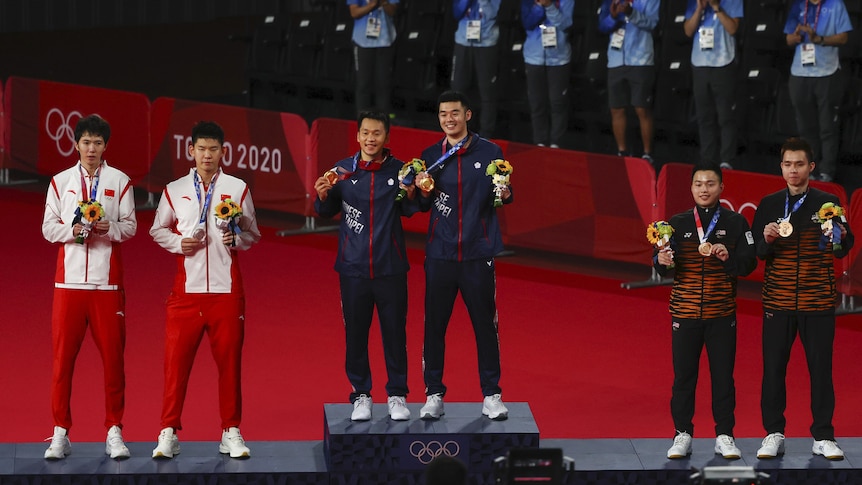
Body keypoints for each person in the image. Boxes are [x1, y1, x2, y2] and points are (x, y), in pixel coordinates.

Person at [149, 121, 261, 459]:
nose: (207, 155)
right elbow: (157, 229)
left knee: (229, 364)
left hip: (227, 292)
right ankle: (168, 431)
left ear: (223, 152)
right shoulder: (175, 189)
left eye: (213, 149)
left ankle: (231, 430)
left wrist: (237, 239)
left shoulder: (237, 188)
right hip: (186, 293)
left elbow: (253, 233)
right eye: (201, 149)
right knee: (175, 364)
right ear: (191, 151)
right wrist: (179, 243)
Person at [41, 114, 137, 460]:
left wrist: (107, 227)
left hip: (107, 286)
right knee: (62, 363)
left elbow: (130, 228)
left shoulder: (120, 181)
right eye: (86, 142)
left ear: (105, 146)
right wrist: (74, 230)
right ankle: (60, 433)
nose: (91, 149)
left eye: (97, 143)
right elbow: (47, 229)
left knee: (113, 362)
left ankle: (114, 430)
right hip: (68, 286)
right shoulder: (60, 182)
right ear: (76, 144)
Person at [751, 137, 854, 460]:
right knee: (773, 370)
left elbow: (843, 248)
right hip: (777, 302)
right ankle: (773, 433)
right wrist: (766, 240)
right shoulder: (769, 203)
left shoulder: (828, 203)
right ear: (781, 167)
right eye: (787, 164)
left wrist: (836, 236)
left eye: (799, 164)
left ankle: (823, 436)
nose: (792, 170)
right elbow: (757, 252)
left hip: (818, 302)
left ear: (811, 167)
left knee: (821, 370)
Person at [413, 90, 511, 421]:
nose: (449, 119)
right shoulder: (430, 155)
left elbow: (502, 196)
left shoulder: (491, 152)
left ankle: (492, 394)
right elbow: (421, 206)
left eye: (455, 113)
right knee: (434, 327)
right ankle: (433, 394)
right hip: (439, 255)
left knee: (485, 325)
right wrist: (421, 191)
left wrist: (506, 191)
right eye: (443, 114)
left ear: (468, 115)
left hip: (477, 254)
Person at [313, 111, 417, 422]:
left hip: (390, 269)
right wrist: (321, 196)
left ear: (386, 138)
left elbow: (411, 210)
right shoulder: (341, 172)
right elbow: (325, 210)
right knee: (356, 335)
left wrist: (411, 192)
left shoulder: (400, 172)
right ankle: (361, 394)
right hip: (353, 270)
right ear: (357, 136)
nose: (371, 139)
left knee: (395, 334)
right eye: (365, 133)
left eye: (377, 133)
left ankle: (397, 394)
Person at [655, 163, 757, 460]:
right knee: (683, 377)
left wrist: (729, 258)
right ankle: (682, 434)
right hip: (684, 314)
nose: (704, 189)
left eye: (710, 184)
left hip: (721, 314)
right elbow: (663, 267)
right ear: (691, 188)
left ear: (721, 187)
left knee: (723, 377)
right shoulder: (676, 222)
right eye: (698, 184)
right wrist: (662, 260)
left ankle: (724, 435)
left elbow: (749, 264)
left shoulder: (737, 222)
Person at [783, 0, 852, 183]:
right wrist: (796, 36)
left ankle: (826, 172)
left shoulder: (835, 5)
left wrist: (819, 39)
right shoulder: (798, 5)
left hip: (826, 72)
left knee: (827, 126)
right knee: (805, 127)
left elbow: (844, 37)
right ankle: (809, 170)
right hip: (799, 72)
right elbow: (788, 39)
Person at [598, 0, 660, 163]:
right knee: (617, 109)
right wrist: (612, 16)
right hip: (616, 60)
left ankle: (647, 154)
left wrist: (631, 13)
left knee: (642, 109)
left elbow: (652, 23)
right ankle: (622, 152)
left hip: (641, 60)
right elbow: (602, 27)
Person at [683, 0, 743, 170]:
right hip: (700, 63)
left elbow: (733, 28)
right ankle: (708, 158)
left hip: (723, 63)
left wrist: (716, 7)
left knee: (725, 116)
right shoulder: (695, 2)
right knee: (704, 116)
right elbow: (688, 31)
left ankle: (727, 160)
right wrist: (699, 10)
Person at [520, 0, 574, 149]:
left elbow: (565, 24)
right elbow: (527, 22)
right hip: (534, 56)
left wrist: (549, 5)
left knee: (557, 102)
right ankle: (540, 141)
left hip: (559, 58)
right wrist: (539, 6)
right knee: (537, 102)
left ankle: (557, 142)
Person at [451, 0, 501, 138]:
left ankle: (486, 134)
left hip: (486, 43)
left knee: (487, 91)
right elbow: (456, 13)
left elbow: (492, 14)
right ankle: (457, 131)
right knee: (457, 90)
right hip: (463, 42)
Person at [348, 0, 399, 117]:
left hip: (385, 40)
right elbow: (354, 12)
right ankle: (363, 120)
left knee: (383, 83)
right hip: (362, 41)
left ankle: (383, 121)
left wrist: (384, 3)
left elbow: (392, 11)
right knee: (363, 84)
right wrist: (371, 5)